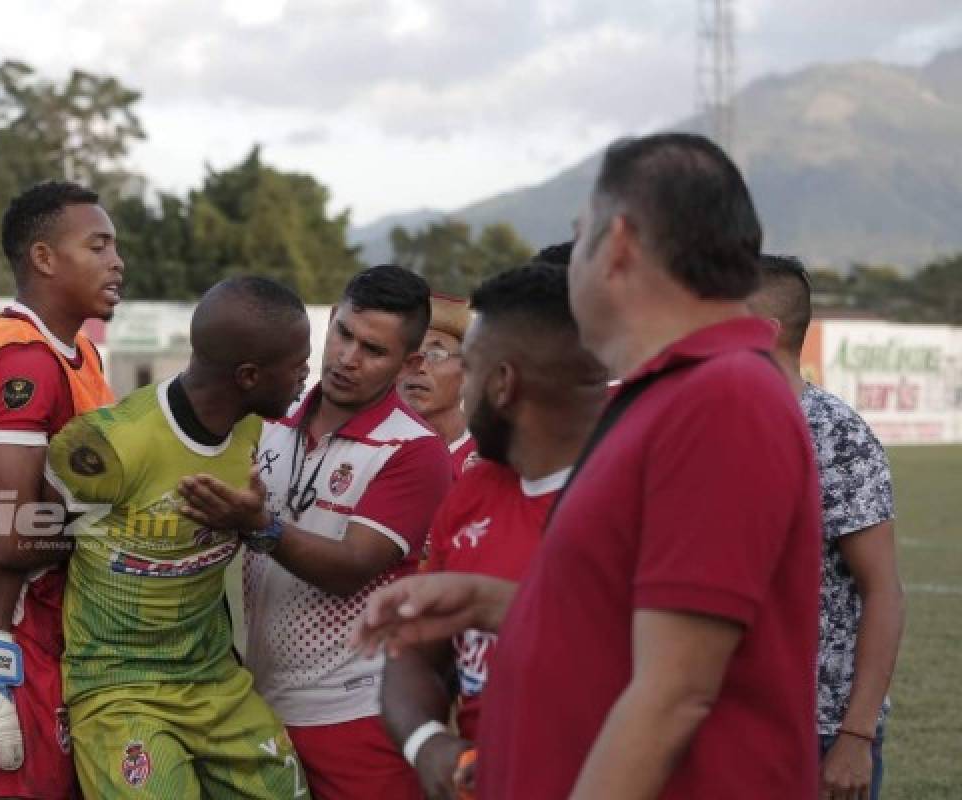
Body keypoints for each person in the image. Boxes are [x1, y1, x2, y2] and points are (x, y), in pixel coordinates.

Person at [355, 133, 823, 799]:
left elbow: (674, 693)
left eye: (582, 238)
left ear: (621, 243)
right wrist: (491, 602)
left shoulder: (722, 397)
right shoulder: (671, 396)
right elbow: (637, 634)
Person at [179, 264, 452, 800]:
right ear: (330, 320)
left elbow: (350, 568)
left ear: (409, 362)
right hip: (254, 708)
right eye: (344, 334)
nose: (348, 358)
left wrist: (259, 527)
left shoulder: (416, 451)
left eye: (374, 350)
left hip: (357, 714)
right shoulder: (268, 419)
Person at [41, 276, 312, 799]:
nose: (306, 373)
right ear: (250, 375)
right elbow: (23, 538)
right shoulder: (112, 441)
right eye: (298, 362)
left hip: (215, 682)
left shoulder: (259, 433)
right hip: (120, 688)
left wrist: (250, 526)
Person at [381, 262, 606, 800]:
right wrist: (428, 741)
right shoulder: (472, 492)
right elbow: (415, 652)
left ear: (501, 385)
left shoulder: (627, 504)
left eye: (472, 368)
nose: (464, 391)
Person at [0, 180, 121, 798]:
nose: (117, 262)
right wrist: (123, 533)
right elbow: (10, 534)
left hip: (56, 610)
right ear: (44, 258)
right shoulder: (25, 360)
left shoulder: (81, 355)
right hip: (10, 618)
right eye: (98, 246)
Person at [748, 254, 904, 799]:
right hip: (729, 724)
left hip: (817, 734)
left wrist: (856, 735)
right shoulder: (715, 421)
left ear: (764, 333)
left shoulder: (836, 436)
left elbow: (882, 590)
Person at [399, 293, 477, 478]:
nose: (419, 367)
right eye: (410, 354)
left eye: (436, 354)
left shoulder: (492, 457)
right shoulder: (372, 446)